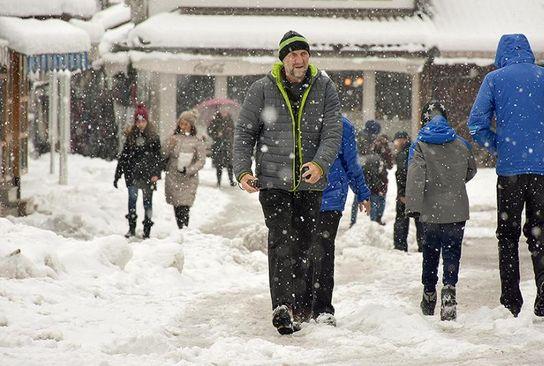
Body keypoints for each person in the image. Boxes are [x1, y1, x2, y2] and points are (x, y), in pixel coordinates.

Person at [233, 30, 342, 335]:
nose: (299, 60)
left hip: (310, 184)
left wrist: (320, 164)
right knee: (282, 242)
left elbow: (332, 133)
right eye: (293, 54)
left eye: (304, 53)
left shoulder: (325, 87)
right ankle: (283, 308)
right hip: (273, 182)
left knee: (305, 247)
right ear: (283, 59)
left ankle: (302, 306)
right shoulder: (262, 90)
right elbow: (244, 133)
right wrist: (243, 171)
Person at [468, 34, 544, 318]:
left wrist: (498, 145)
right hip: (542, 172)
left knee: (507, 235)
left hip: (510, 172)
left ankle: (511, 299)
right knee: (540, 233)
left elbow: (476, 124)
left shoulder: (494, 80)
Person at [406, 101, 477, 321]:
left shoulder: (419, 144)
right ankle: (449, 289)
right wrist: (454, 183)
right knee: (452, 251)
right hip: (456, 209)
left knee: (430, 252)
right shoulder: (461, 143)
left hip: (430, 210)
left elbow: (415, 177)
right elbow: (471, 170)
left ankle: (429, 292)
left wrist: (413, 206)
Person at [313, 116, 371, 326]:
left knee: (319, 251)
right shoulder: (338, 122)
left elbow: (350, 161)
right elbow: (350, 162)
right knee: (318, 251)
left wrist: (362, 192)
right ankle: (317, 307)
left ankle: (319, 307)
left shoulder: (339, 124)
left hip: (326, 197)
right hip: (315, 196)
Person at [114, 103, 162, 239]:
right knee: (132, 199)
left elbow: (158, 158)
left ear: (147, 121)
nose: (140, 124)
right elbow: (124, 156)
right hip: (132, 174)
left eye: (143, 121)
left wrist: (156, 174)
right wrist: (118, 174)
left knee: (147, 202)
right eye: (138, 121)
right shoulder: (131, 137)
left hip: (148, 174)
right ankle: (132, 227)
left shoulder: (153, 137)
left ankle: (147, 229)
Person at [163, 110, 206, 229]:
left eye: (186, 124)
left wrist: (189, 170)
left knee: (184, 205)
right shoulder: (173, 138)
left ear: (191, 126)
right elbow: (163, 155)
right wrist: (169, 146)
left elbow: (201, 161)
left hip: (188, 179)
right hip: (173, 177)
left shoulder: (197, 140)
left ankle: (184, 229)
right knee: (177, 205)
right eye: (181, 124)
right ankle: (180, 228)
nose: (183, 127)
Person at [392, 130, 424, 252]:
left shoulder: (403, 154)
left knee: (401, 220)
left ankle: (400, 247)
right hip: (418, 192)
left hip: (407, 193)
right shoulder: (416, 150)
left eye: (397, 140)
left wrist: (402, 193)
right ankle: (423, 245)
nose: (396, 143)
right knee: (420, 220)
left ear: (403, 140)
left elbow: (402, 174)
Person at [350, 119, 381, 226]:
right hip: (365, 171)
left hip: (365, 171)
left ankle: (355, 221)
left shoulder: (363, 137)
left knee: (360, 196)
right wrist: (374, 158)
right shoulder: (364, 138)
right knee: (364, 196)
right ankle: (368, 222)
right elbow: (363, 156)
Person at [360, 134, 393, 225]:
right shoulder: (375, 152)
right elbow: (389, 165)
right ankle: (375, 220)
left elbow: (390, 166)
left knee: (379, 200)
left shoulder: (385, 151)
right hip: (375, 178)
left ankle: (376, 219)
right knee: (376, 200)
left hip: (379, 178)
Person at [208, 111, 236, 187]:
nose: (224, 111)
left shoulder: (230, 120)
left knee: (230, 164)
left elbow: (234, 131)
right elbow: (209, 131)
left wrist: (230, 132)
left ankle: (231, 180)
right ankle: (219, 181)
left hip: (228, 145)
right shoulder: (215, 120)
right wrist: (217, 134)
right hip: (218, 145)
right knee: (218, 165)